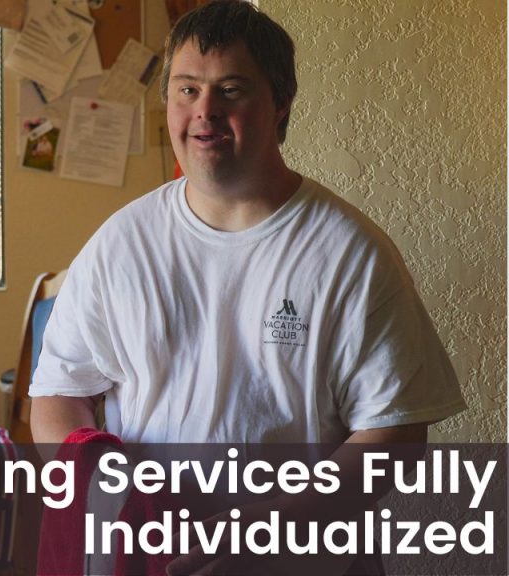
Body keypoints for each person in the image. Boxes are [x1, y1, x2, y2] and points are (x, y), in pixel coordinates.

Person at [29, 2, 466, 572]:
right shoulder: (121, 244)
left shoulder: (351, 253)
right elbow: (59, 393)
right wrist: (102, 494)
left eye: (231, 89)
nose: (204, 111)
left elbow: (396, 434)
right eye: (186, 90)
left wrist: (261, 533)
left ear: (280, 103)